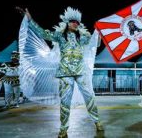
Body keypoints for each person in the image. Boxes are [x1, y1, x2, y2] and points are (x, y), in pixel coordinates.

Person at [17, 7, 103, 138]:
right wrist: (30, 20)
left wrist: (99, 33)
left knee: (89, 97)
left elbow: (95, 44)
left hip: (80, 72)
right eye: (73, 21)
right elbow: (43, 34)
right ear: (68, 22)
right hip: (65, 73)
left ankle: (97, 122)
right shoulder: (59, 36)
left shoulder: (83, 37)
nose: (76, 24)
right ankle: (63, 129)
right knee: (65, 102)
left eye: (78, 22)